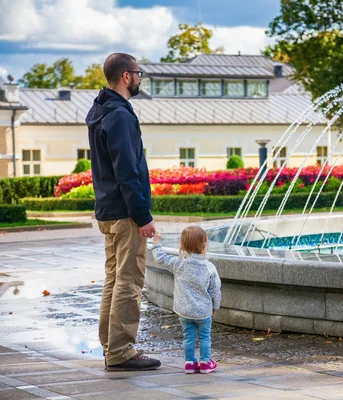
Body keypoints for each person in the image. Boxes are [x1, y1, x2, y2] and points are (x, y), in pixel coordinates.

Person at [86, 52, 160, 371]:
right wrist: (142, 216)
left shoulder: (100, 110)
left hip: (107, 210)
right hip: (125, 213)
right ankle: (120, 352)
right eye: (138, 73)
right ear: (126, 77)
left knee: (114, 279)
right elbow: (126, 170)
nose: (140, 78)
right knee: (129, 281)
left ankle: (110, 346)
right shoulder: (120, 115)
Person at [151, 226, 221, 374]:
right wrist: (216, 305)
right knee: (204, 337)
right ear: (204, 245)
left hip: (183, 311)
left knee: (188, 337)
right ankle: (205, 363)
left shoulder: (179, 264)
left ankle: (189, 363)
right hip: (203, 312)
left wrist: (156, 242)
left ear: (182, 245)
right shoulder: (209, 267)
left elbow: (160, 258)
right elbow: (215, 290)